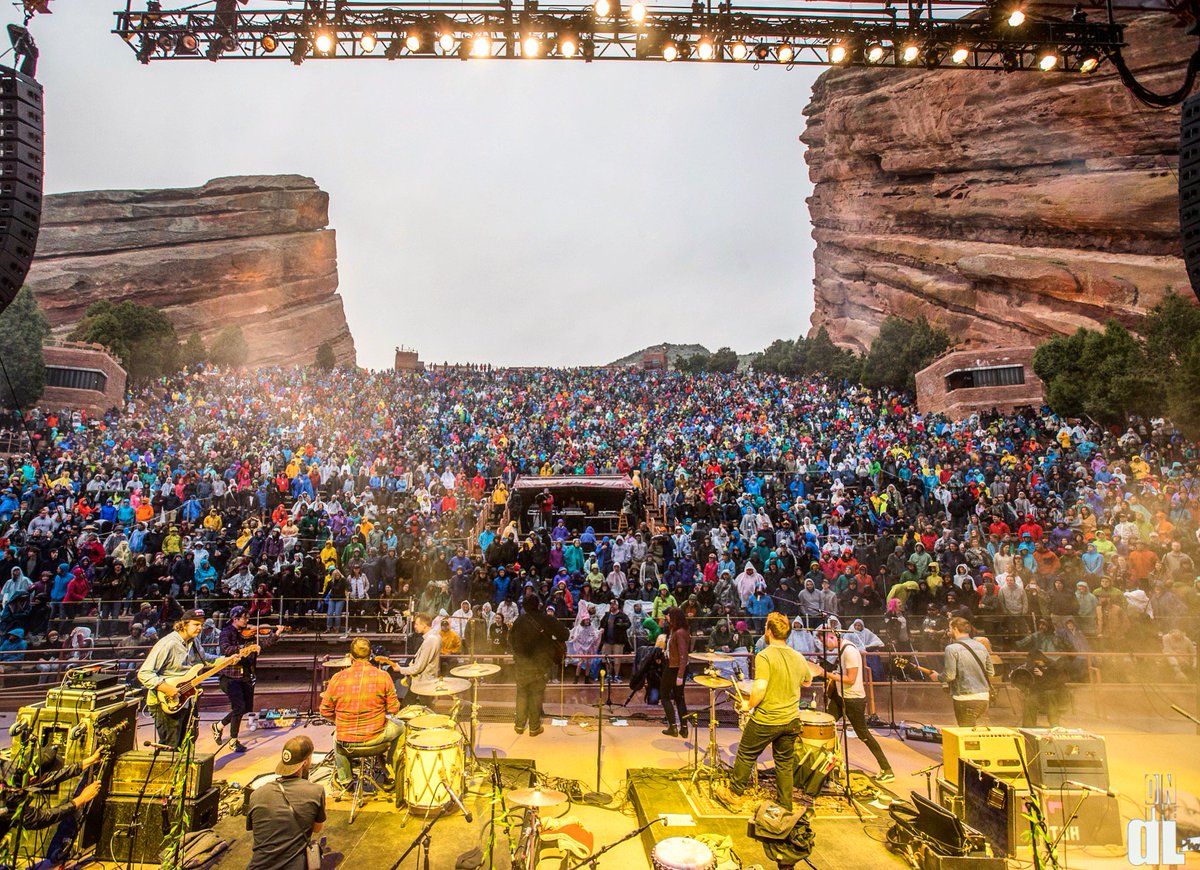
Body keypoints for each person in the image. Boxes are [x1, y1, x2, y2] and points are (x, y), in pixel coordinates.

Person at [715, 612, 813, 812]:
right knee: (784, 763)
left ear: (768, 631)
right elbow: (807, 681)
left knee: (745, 753)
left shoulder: (765, 655)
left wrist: (747, 705)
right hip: (791, 719)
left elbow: (759, 688)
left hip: (768, 718)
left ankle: (734, 793)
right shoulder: (798, 656)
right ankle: (785, 803)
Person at [137, 609, 231, 747]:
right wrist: (166, 688)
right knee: (172, 744)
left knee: (189, 740)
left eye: (201, 624)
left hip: (186, 698)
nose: (200, 628)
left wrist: (227, 660)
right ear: (184, 624)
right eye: (196, 624)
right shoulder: (168, 644)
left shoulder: (194, 642)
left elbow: (205, 659)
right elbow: (144, 673)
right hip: (165, 701)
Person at [319, 638, 402, 788]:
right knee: (402, 727)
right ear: (370, 655)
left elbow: (324, 711)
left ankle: (345, 780)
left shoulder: (337, 678)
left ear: (350, 657)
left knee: (337, 733)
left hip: (347, 743)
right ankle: (391, 773)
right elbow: (394, 709)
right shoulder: (383, 676)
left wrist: (340, 720)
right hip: (376, 738)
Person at [819, 626, 894, 782]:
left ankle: (887, 769)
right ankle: (829, 764)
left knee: (864, 735)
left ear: (831, 637)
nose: (823, 645)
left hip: (853, 699)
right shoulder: (841, 651)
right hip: (841, 697)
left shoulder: (849, 651)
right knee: (826, 726)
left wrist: (827, 674)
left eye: (822, 641)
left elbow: (851, 679)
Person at [246, 735, 326, 870]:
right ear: (306, 761)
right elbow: (317, 829)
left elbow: (257, 830)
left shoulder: (256, 794)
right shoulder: (316, 792)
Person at [213, 605, 284, 753]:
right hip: (230, 676)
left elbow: (261, 645)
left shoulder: (248, 634)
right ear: (235, 619)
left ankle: (219, 726)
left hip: (246, 674)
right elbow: (226, 650)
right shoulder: (226, 633)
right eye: (244, 618)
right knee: (238, 707)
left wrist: (276, 634)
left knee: (245, 708)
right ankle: (233, 740)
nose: (247, 621)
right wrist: (246, 648)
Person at [0, 745, 103, 840]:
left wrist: (91, 760)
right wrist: (81, 799)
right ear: (33, 779)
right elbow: (40, 818)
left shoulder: (16, 769)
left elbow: (49, 778)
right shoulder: (9, 798)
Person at [510, 593, 567, 736]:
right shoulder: (546, 619)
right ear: (539, 605)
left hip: (522, 664)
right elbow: (565, 635)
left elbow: (510, 641)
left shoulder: (519, 621)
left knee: (522, 693)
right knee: (536, 694)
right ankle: (534, 727)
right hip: (541, 665)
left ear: (523, 606)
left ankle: (519, 725)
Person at [927, 617, 994, 726]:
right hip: (984, 697)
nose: (948, 631)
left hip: (965, 698)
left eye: (949, 628)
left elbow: (949, 675)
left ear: (955, 629)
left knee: (966, 733)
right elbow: (991, 672)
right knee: (979, 733)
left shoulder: (952, 649)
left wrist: (937, 677)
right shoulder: (981, 646)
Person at [660, 606, 691, 738]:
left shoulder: (679, 633)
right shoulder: (677, 630)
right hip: (675, 665)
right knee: (679, 698)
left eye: (669, 615)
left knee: (665, 695)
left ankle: (673, 726)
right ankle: (683, 728)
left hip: (675, 668)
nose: (667, 617)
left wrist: (680, 675)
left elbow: (683, 656)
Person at [395, 612, 440, 699]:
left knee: (421, 705)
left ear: (424, 625)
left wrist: (400, 669)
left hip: (424, 682)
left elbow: (418, 667)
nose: (414, 626)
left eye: (417, 624)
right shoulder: (434, 637)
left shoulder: (431, 640)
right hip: (423, 680)